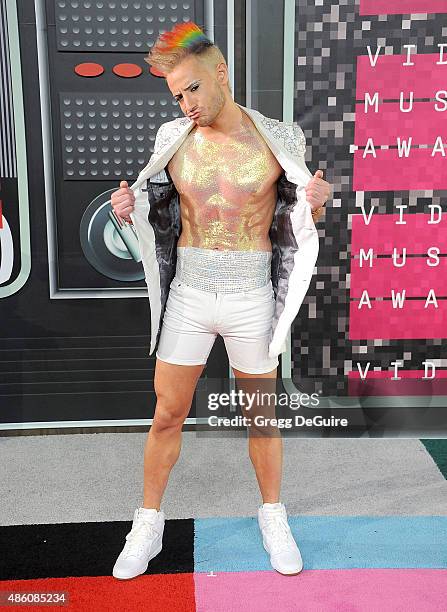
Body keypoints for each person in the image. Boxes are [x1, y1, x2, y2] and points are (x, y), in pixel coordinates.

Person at [110, 22, 331, 580]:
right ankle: (148, 523)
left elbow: (299, 217)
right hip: (188, 294)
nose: (185, 103)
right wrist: (126, 207)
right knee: (167, 414)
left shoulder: (279, 138)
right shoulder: (172, 140)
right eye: (176, 94)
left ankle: (272, 515)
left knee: (262, 416)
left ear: (221, 73)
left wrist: (319, 204)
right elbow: (154, 208)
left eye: (192, 89)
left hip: (251, 294)